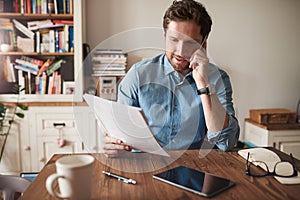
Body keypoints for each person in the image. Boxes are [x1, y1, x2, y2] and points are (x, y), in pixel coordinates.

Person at [103, 0, 240, 157]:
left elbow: (227, 143)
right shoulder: (138, 75)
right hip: (146, 166)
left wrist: (204, 84)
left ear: (204, 43)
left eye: (190, 42)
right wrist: (113, 143)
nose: (180, 52)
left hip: (193, 171)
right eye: (174, 40)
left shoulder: (217, 79)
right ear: (164, 36)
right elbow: (120, 132)